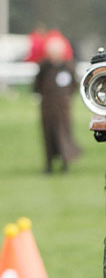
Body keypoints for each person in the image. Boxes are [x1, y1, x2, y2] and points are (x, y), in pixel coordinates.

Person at [33, 32, 82, 173]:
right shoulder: (44, 68)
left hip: (63, 108)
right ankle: (49, 164)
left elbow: (74, 85)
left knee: (64, 134)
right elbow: (37, 85)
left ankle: (65, 163)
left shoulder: (68, 67)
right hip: (48, 107)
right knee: (48, 135)